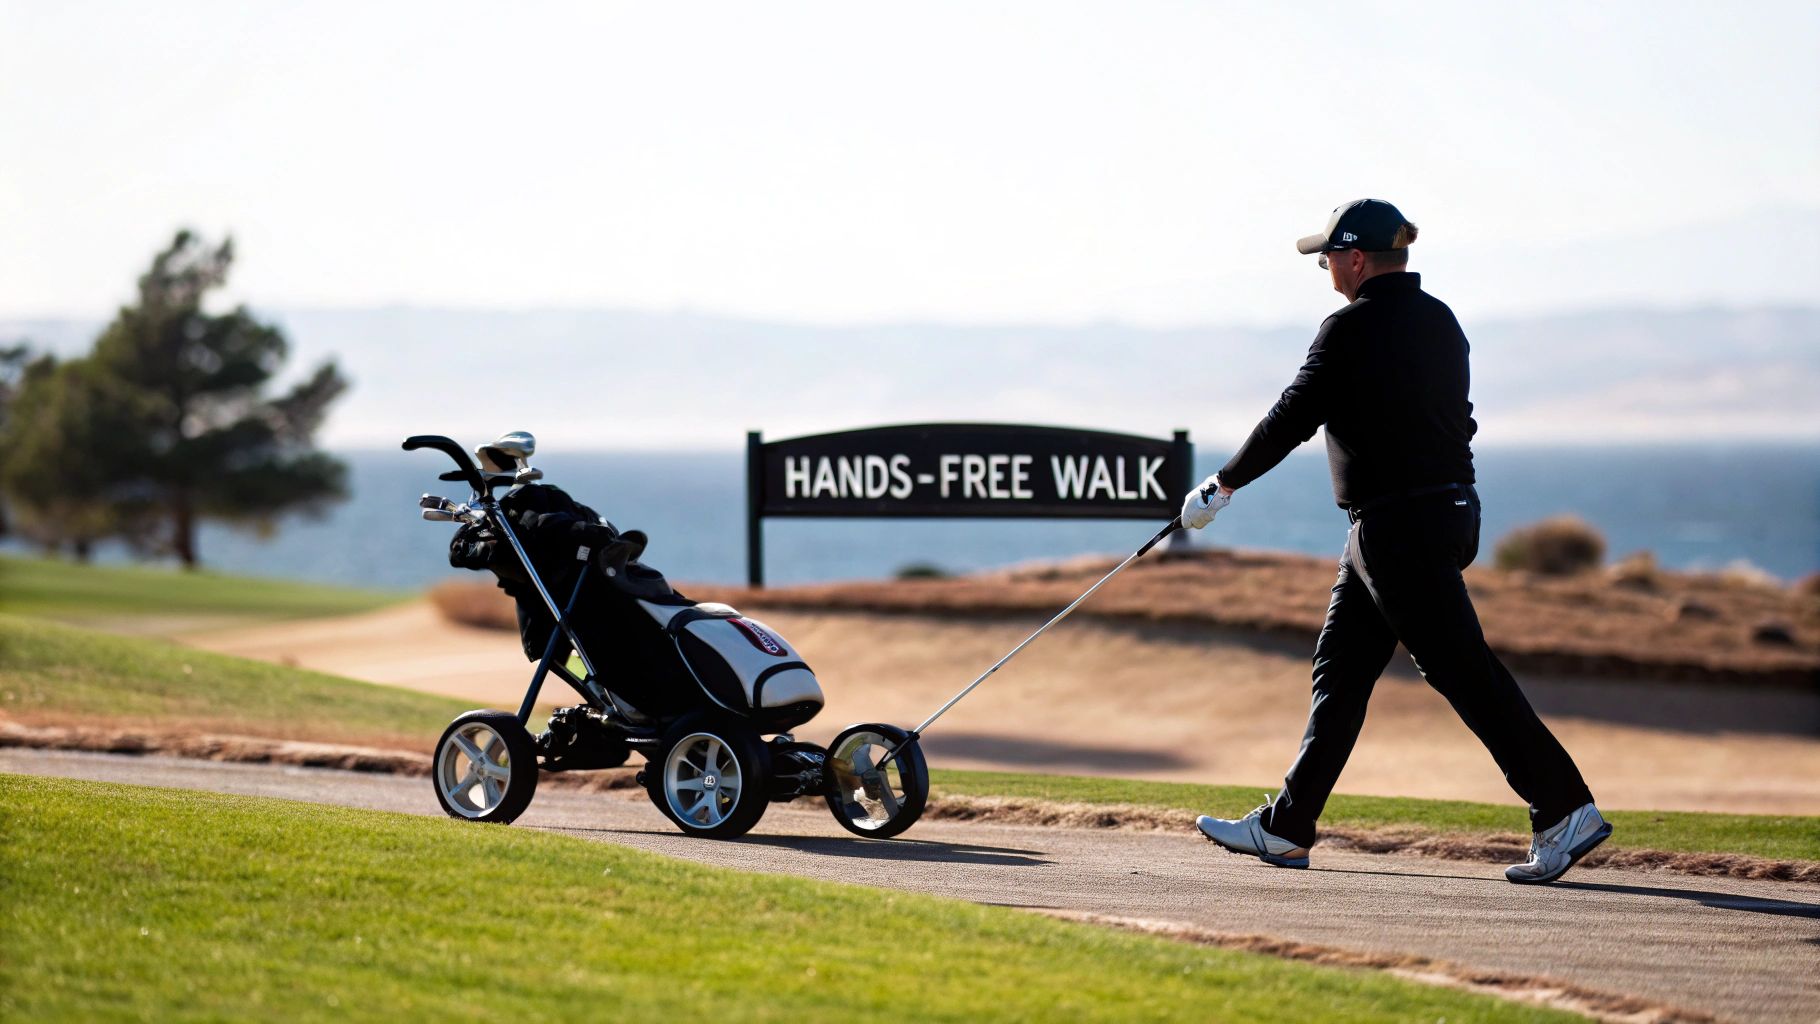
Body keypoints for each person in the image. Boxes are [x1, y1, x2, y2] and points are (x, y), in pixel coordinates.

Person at [1182, 199, 1609, 885]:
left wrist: (1223, 485)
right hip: (1437, 514)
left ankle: (1565, 809)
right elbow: (1458, 421)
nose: (1324, 268)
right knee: (1341, 671)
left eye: (1328, 257)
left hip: (1396, 529)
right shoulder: (1441, 320)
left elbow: (1291, 416)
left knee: (1463, 671)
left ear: (1355, 259)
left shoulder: (1348, 328)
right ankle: (1289, 827)